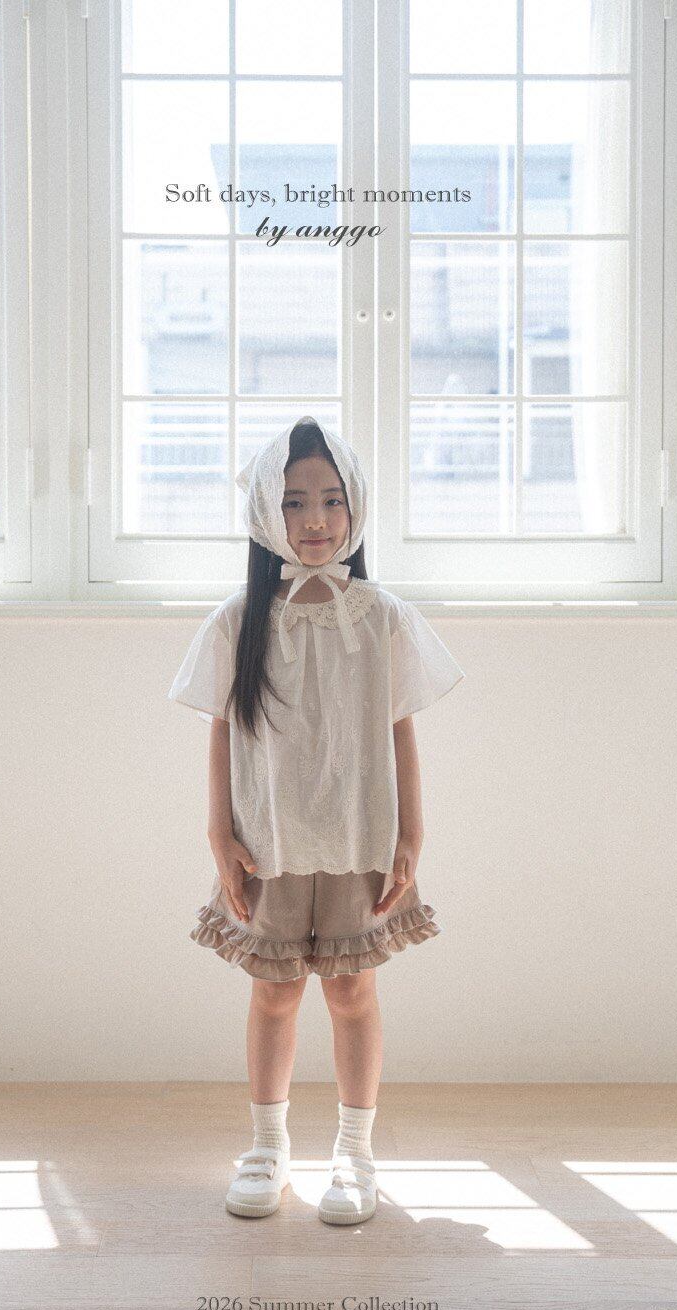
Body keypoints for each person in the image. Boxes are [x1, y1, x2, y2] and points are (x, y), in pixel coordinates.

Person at [167, 415, 465, 1225]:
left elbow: (400, 727)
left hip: (358, 837)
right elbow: (221, 729)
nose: (316, 520)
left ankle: (354, 1151)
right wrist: (218, 833)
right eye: (295, 502)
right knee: (273, 993)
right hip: (268, 841)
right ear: (267, 513)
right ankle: (266, 1148)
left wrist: (411, 835)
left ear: (356, 506)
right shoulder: (239, 620)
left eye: (332, 500)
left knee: (351, 990)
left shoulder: (381, 616)